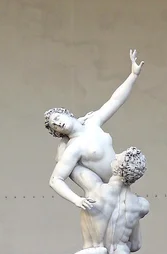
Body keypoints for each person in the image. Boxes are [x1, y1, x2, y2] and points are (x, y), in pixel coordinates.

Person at [44, 49, 144, 210]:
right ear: (57, 133)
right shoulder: (73, 148)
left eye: (57, 118)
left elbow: (115, 101)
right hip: (107, 192)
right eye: (54, 126)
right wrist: (77, 200)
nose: (58, 123)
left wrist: (133, 75)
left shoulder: (93, 121)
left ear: (67, 114)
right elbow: (55, 179)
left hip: (125, 185)